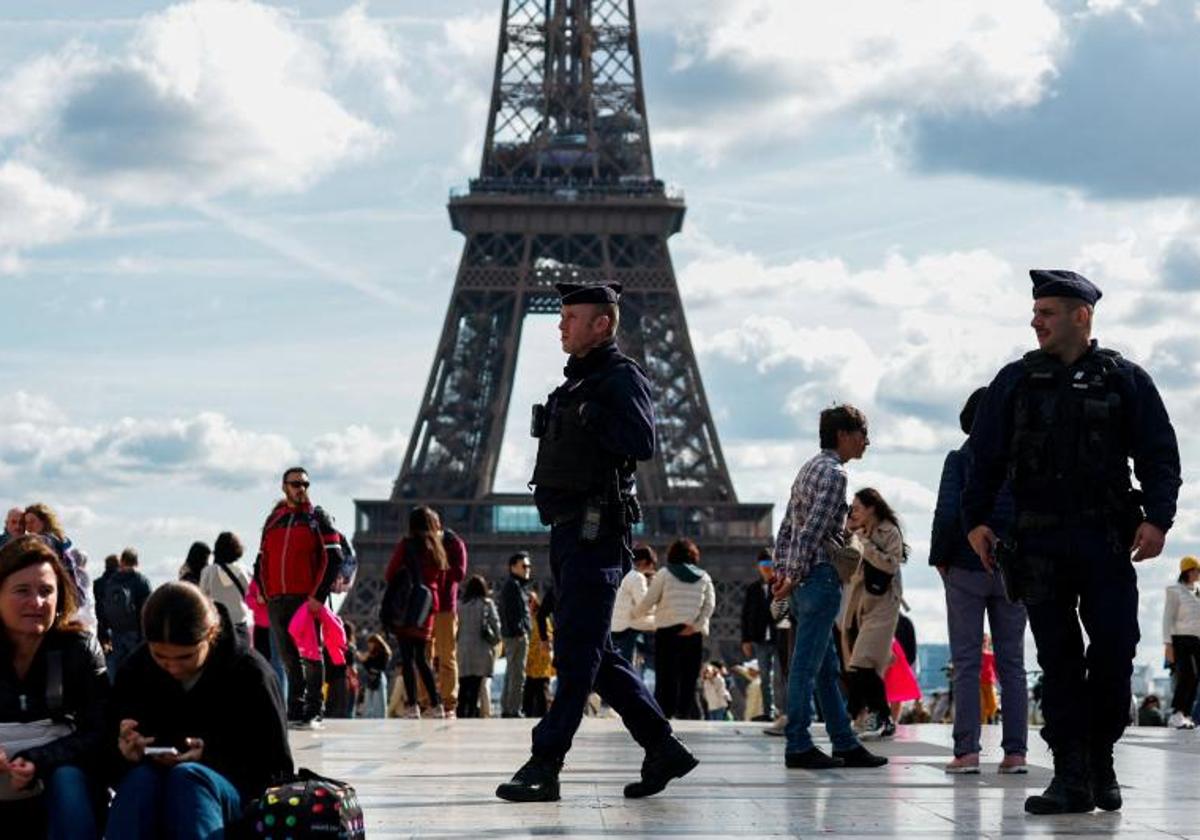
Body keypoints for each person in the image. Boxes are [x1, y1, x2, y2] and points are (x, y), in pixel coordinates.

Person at [962, 270, 1181, 814]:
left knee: (1115, 651)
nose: (1035, 322)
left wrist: (1157, 520)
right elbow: (983, 458)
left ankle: (1100, 759)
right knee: (1058, 659)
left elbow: (1159, 455)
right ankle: (1070, 773)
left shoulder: (1125, 380)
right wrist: (976, 521)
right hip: (1037, 540)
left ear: (1081, 315)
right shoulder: (1013, 382)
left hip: (1105, 538)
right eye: (1035, 313)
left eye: (1047, 313)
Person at [497, 281, 697, 803]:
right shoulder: (577, 383)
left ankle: (546, 760)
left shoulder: (618, 377)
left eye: (570, 317)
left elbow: (643, 441)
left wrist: (591, 416)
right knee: (599, 653)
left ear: (602, 324)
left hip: (596, 532)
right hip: (568, 533)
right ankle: (661, 746)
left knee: (578, 652)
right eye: (560, 317)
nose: (560, 326)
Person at [107, 582, 293, 838]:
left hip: (227, 799)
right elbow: (105, 765)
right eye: (160, 656)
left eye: (185, 657)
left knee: (189, 779)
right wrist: (125, 753)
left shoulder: (251, 674)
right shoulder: (134, 670)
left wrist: (212, 757)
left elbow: (276, 770)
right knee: (140, 781)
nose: (172, 666)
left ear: (212, 634)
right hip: (155, 788)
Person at [771, 404, 887, 770]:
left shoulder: (809, 467)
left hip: (804, 579)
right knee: (806, 666)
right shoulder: (834, 474)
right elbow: (812, 532)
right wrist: (794, 574)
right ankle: (799, 743)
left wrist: (783, 570)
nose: (867, 441)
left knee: (824, 665)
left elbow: (789, 526)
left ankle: (843, 741)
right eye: (862, 434)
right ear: (843, 435)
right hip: (819, 577)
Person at [932, 386, 1028, 774]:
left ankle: (967, 752)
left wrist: (941, 558)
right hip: (1011, 570)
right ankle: (1016, 753)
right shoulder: (1020, 461)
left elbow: (947, 512)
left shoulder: (960, 459)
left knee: (967, 663)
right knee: (1013, 664)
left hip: (965, 566)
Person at [0, 536, 108, 839]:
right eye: (22, 590)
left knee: (69, 780)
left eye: (46, 591)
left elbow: (100, 730)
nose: (36, 602)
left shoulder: (80, 648)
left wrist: (38, 759)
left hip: (57, 776)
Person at [252, 466, 343, 729]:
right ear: (284, 487)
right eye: (295, 484)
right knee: (289, 658)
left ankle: (314, 709)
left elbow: (334, 558)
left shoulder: (318, 518)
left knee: (312, 656)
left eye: (305, 484)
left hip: (306, 600)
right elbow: (261, 560)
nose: (301, 489)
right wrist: (265, 591)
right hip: (277, 599)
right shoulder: (274, 520)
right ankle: (295, 708)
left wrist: (317, 596)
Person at [839, 488, 905, 740]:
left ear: (871, 508)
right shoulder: (858, 533)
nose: (853, 511)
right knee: (857, 666)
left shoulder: (889, 532)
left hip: (883, 602)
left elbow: (890, 564)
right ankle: (863, 714)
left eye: (857, 507)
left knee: (862, 661)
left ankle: (874, 715)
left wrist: (863, 544)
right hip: (858, 605)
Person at [633, 538, 715, 720]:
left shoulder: (664, 574)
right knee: (689, 679)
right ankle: (685, 715)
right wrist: (696, 626)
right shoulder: (704, 577)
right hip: (692, 633)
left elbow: (649, 600)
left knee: (665, 677)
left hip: (667, 632)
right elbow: (709, 606)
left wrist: (634, 614)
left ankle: (663, 716)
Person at [384, 506, 448, 719]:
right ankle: (437, 704)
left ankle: (412, 706)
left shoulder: (407, 545)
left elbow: (390, 573)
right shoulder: (437, 547)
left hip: (408, 603)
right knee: (422, 658)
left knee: (407, 657)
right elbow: (441, 578)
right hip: (428, 605)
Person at [741, 548, 783, 722]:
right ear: (758, 566)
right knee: (765, 678)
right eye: (763, 564)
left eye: (769, 563)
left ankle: (783, 711)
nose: (766, 567)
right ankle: (769, 712)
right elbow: (745, 615)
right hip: (759, 639)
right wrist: (746, 640)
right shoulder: (752, 589)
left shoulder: (781, 586)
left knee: (780, 678)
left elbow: (785, 613)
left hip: (778, 639)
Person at [431, 520, 467, 718]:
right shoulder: (422, 545)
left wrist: (438, 567)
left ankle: (449, 703)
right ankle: (425, 701)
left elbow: (459, 573)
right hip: (425, 607)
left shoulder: (454, 544)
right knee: (423, 658)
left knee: (446, 656)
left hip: (444, 607)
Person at [99, 548, 153, 676]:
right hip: (135, 629)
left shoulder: (112, 580)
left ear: (122, 562)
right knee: (136, 665)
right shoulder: (141, 580)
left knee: (117, 665)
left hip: (116, 629)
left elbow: (105, 605)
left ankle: (115, 691)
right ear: (136, 562)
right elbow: (148, 607)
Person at [457, 575, 501, 719]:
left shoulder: (460, 605)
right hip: (482, 649)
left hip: (463, 649)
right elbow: (496, 628)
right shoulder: (487, 604)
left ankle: (461, 713)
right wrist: (495, 641)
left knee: (463, 684)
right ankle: (471, 714)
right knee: (476, 685)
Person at [1163, 556, 1200, 729]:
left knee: (1196, 678)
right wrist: (1168, 644)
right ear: (1187, 571)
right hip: (1180, 639)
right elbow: (1167, 619)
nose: (1198, 574)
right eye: (1195, 570)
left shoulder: (1197, 591)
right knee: (1187, 675)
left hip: (1197, 640)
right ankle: (1176, 712)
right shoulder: (1174, 591)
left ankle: (1185, 714)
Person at [198, 532, 251, 649]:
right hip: (240, 624)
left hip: (217, 624)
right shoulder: (245, 571)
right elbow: (251, 596)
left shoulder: (208, 572)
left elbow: (202, 598)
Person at [611, 545, 656, 671]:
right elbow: (644, 605)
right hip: (627, 626)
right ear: (644, 562)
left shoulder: (619, 572)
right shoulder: (637, 577)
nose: (652, 568)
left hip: (612, 626)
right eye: (651, 564)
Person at [499, 551, 533, 718]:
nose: (528, 569)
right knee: (517, 674)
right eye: (524, 566)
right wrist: (520, 630)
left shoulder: (515, 585)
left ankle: (508, 708)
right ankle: (514, 709)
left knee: (512, 672)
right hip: (516, 636)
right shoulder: (513, 585)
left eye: (529, 566)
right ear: (513, 567)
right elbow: (511, 612)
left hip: (513, 634)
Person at [523, 588, 554, 718]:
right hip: (531, 663)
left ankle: (544, 714)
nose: (528, 604)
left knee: (542, 690)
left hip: (541, 661)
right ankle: (529, 713)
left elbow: (549, 635)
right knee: (530, 690)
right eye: (526, 601)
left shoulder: (541, 618)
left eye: (530, 601)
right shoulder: (526, 619)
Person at [358, 634, 391, 719]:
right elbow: (368, 668)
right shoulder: (371, 653)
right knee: (368, 700)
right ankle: (368, 717)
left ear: (376, 643)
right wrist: (364, 660)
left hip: (379, 677)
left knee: (379, 700)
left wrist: (368, 659)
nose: (369, 646)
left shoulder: (383, 653)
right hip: (371, 677)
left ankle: (379, 717)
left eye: (371, 643)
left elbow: (381, 667)